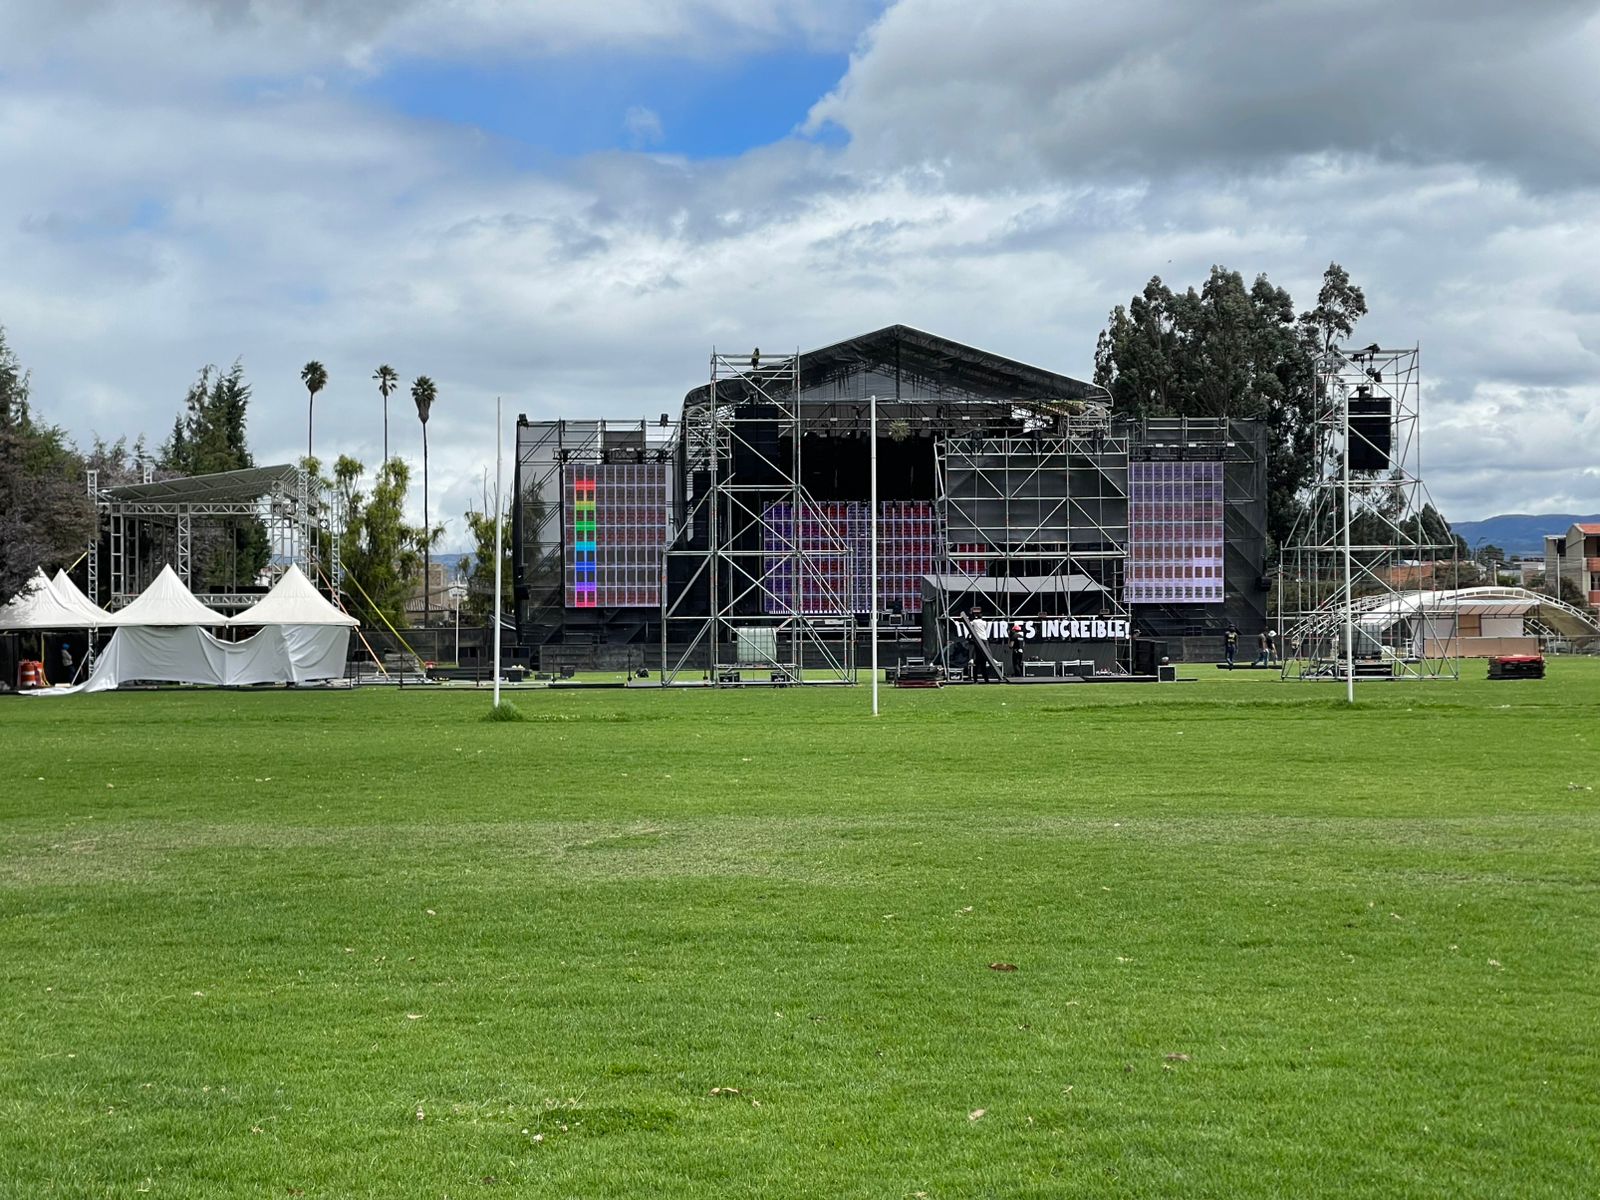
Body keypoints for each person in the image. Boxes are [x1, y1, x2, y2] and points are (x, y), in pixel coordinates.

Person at [964, 606, 994, 683]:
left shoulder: (974, 622)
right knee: (986, 649)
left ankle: (971, 659)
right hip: (984, 638)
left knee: (973, 649)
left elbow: (969, 625)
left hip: (977, 639)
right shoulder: (984, 622)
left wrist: (970, 615)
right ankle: (990, 658)